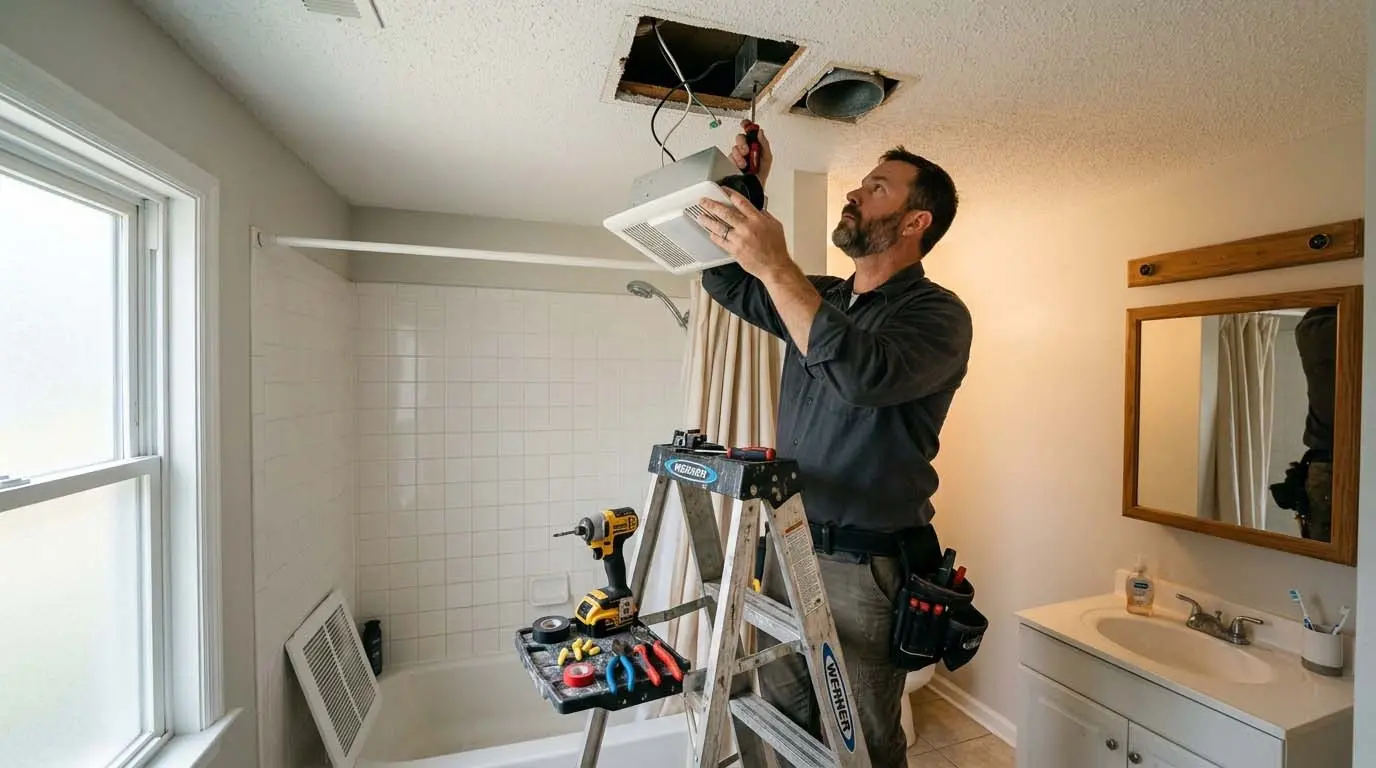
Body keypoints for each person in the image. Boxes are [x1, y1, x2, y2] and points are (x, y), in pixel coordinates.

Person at [693, 121, 973, 767]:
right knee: (784, 711)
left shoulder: (937, 314)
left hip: (865, 564)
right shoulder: (822, 297)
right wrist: (746, 190)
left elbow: (863, 375)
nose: (855, 193)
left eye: (877, 188)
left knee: (862, 737)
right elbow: (729, 282)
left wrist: (777, 264)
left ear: (914, 222)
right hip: (789, 542)